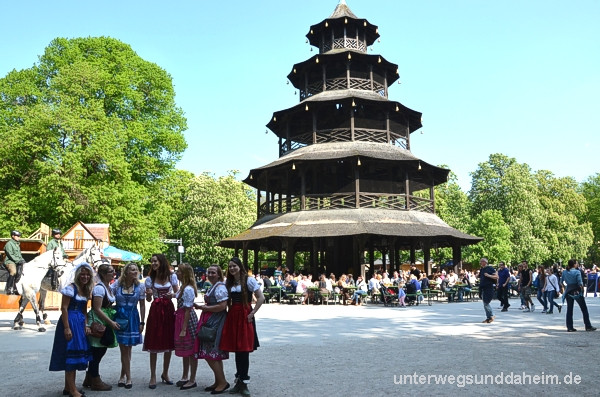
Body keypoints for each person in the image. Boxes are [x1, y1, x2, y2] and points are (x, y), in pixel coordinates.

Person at [220, 257, 265, 396]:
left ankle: (244, 383)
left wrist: (252, 313)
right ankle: (239, 381)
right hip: (233, 315)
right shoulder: (229, 282)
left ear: (240, 266)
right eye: (230, 266)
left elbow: (261, 297)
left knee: (244, 350)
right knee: (237, 349)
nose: (232, 268)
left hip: (245, 315)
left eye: (234, 266)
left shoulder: (249, 280)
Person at [49, 262, 95, 397]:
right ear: (78, 275)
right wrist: (67, 328)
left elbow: (84, 310)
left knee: (73, 354)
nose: (85, 277)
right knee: (70, 355)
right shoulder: (71, 288)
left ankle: (68, 387)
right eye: (82, 274)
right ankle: (73, 391)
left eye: (87, 274)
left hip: (79, 323)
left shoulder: (85, 290)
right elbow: (64, 308)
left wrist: (86, 325)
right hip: (69, 322)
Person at [144, 254, 179, 389]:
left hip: (169, 309)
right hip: (156, 310)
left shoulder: (172, 276)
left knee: (168, 341)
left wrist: (172, 295)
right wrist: (148, 295)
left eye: (155, 261)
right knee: (154, 342)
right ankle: (153, 375)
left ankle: (165, 373)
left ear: (161, 262)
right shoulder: (150, 279)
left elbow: (178, 292)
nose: (153, 263)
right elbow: (148, 300)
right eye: (152, 261)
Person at [84, 262, 119, 391]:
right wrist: (110, 322)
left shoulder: (107, 286)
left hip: (105, 318)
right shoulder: (99, 288)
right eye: (110, 271)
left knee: (100, 350)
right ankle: (95, 380)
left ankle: (89, 378)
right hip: (99, 320)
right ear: (103, 274)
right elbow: (97, 309)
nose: (113, 273)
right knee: (97, 351)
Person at [195, 264, 229, 393]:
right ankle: (219, 381)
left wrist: (204, 308)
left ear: (219, 274)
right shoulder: (215, 286)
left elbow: (222, 306)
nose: (210, 274)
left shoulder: (220, 287)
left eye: (213, 272)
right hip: (211, 319)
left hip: (216, 321)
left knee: (211, 352)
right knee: (213, 354)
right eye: (209, 272)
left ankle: (222, 382)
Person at [112, 262, 146, 389]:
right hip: (120, 317)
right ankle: (128, 378)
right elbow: (108, 297)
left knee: (128, 349)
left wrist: (142, 321)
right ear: (126, 272)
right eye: (132, 270)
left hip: (133, 318)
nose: (135, 272)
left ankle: (123, 376)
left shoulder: (139, 286)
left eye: (136, 269)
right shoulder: (117, 285)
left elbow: (142, 304)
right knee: (124, 349)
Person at [174, 263, 199, 390]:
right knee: (185, 349)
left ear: (185, 274)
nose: (177, 273)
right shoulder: (183, 287)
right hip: (182, 317)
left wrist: (184, 328)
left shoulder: (188, 289)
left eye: (179, 271)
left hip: (187, 320)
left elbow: (188, 309)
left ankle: (192, 378)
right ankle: (185, 376)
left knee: (191, 349)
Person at [561, 259, 596, 332]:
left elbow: (561, 282)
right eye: (576, 263)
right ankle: (588, 325)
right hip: (576, 291)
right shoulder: (577, 272)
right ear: (574, 264)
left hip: (568, 291)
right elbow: (580, 283)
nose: (577, 264)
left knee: (569, 309)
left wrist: (565, 288)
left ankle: (570, 327)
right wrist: (582, 290)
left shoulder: (564, 272)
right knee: (584, 309)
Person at [3, 230, 25, 295]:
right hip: (10, 261)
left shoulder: (17, 244)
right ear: (13, 236)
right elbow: (10, 254)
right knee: (13, 271)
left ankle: (16, 288)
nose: (19, 237)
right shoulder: (9, 244)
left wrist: (23, 260)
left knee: (20, 273)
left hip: (17, 261)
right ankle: (8, 288)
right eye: (17, 236)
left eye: (19, 236)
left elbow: (19, 255)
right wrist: (18, 260)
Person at [479, 258, 498, 323]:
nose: (480, 263)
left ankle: (491, 315)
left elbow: (496, 276)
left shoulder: (490, 268)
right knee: (485, 303)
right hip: (483, 287)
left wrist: (488, 275)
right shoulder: (482, 269)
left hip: (489, 287)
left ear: (485, 262)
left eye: (481, 262)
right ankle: (488, 317)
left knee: (486, 303)